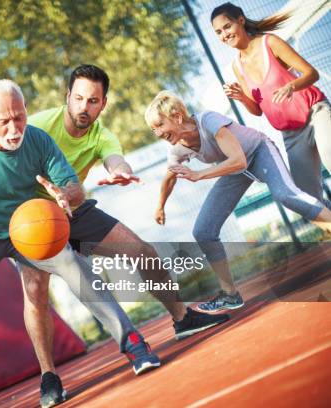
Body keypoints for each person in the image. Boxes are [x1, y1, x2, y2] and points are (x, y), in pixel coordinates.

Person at [0, 79, 161, 408]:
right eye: (4, 122)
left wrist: (64, 194)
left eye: (19, 117)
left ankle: (134, 343)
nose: (14, 128)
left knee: (74, 266)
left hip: (27, 228)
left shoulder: (38, 141)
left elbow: (74, 186)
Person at [18, 64, 230, 407]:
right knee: (35, 289)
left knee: (142, 251)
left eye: (93, 101)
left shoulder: (101, 134)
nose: (84, 107)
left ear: (103, 104)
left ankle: (182, 317)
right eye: (79, 98)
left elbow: (116, 159)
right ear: (67, 97)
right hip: (33, 218)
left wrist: (121, 173)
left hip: (75, 209)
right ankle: (49, 377)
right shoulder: (39, 125)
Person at [145, 90, 331, 313]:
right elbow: (169, 177)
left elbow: (238, 159)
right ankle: (230, 294)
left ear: (176, 117)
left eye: (159, 125)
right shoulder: (176, 149)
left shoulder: (209, 121)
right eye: (152, 129)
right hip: (234, 170)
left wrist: (200, 175)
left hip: (258, 151)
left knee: (287, 195)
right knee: (203, 231)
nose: (156, 132)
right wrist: (160, 206)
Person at [210, 2, 331, 206]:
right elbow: (257, 110)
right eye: (218, 32)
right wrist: (241, 97)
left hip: (315, 113)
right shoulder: (237, 66)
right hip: (292, 134)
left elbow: (312, 73)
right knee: (307, 200)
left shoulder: (270, 42)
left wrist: (291, 86)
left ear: (240, 20)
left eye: (227, 26)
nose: (224, 34)